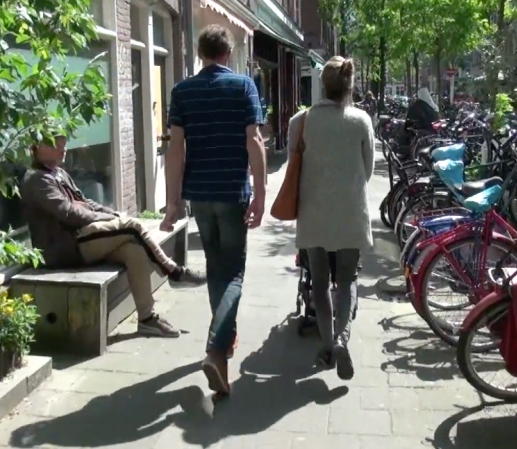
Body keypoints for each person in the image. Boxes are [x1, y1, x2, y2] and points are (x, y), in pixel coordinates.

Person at [161, 24, 267, 396]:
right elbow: (253, 141)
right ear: (227, 53)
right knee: (233, 273)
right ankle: (215, 347)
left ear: (201, 53)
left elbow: (176, 150)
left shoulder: (182, 91)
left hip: (200, 196)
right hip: (233, 192)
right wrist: (261, 193)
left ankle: (223, 344)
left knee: (216, 269)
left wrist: (173, 202)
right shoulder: (243, 87)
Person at [20, 135, 205, 338]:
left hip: (81, 237)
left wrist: (109, 213)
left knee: (134, 251)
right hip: (64, 248)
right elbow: (69, 214)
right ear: (37, 148)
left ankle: (147, 319)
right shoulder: (37, 179)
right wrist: (103, 216)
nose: (63, 146)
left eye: (64, 141)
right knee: (133, 226)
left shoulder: (58, 173)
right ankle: (173, 272)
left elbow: (84, 203)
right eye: (56, 142)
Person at [289, 56, 374, 380]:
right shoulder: (361, 120)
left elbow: (294, 168)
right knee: (348, 280)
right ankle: (343, 338)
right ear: (349, 86)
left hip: (313, 214)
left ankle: (327, 343)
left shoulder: (302, 121)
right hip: (351, 213)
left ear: (321, 84)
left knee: (320, 283)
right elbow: (367, 171)